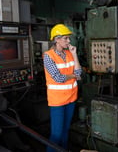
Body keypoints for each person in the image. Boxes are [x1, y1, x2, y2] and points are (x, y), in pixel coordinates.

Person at [43, 24, 82, 152]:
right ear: (57, 39)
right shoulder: (48, 56)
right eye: (66, 38)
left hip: (71, 98)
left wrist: (75, 54)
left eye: (68, 38)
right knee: (56, 134)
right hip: (58, 101)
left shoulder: (69, 53)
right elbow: (58, 78)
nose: (69, 41)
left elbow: (79, 72)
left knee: (66, 131)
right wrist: (73, 76)